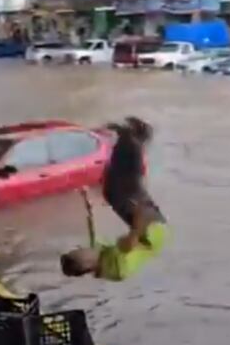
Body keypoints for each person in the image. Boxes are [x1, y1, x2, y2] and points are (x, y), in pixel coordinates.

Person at [61, 116, 168, 281]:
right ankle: (137, 137)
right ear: (86, 264)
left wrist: (89, 206)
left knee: (111, 191)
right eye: (80, 250)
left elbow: (93, 232)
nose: (82, 247)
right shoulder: (115, 267)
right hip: (151, 232)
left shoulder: (96, 258)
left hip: (144, 229)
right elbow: (132, 242)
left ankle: (125, 140)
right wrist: (139, 211)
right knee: (128, 189)